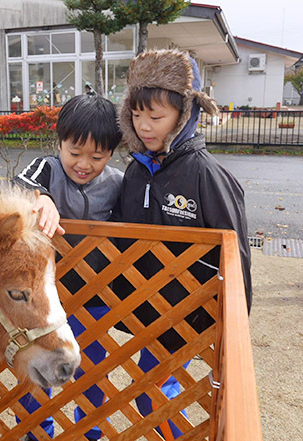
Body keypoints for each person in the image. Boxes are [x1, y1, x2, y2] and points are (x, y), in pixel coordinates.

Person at [111, 49, 252, 439]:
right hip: (146, 312)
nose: (144, 126)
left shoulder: (205, 174)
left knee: (152, 394)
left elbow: (235, 253)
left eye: (155, 117)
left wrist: (235, 323)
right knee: (150, 393)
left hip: (191, 315)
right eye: (136, 115)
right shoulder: (136, 171)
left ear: (185, 113)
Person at [13, 94, 123, 441]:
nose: (84, 164)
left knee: (91, 369)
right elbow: (21, 185)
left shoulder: (118, 183)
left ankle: (88, 431)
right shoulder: (47, 169)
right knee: (38, 364)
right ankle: (35, 432)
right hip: (46, 298)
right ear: (59, 143)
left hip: (95, 294)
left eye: (97, 156)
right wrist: (41, 198)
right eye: (75, 153)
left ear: (111, 154)